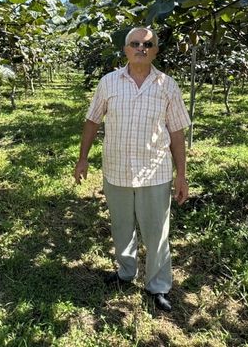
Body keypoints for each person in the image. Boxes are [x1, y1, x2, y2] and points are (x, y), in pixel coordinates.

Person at [73, 26, 191, 312]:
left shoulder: (167, 85)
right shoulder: (109, 83)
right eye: (135, 43)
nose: (141, 48)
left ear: (155, 51)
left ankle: (158, 286)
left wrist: (182, 175)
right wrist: (82, 158)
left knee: (156, 232)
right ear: (125, 49)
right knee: (122, 227)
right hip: (117, 170)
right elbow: (92, 121)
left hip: (155, 171)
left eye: (148, 44)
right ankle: (126, 273)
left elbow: (177, 133)